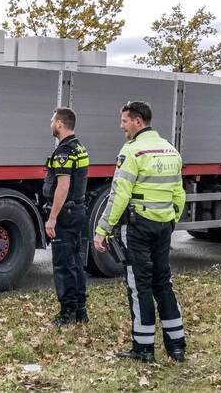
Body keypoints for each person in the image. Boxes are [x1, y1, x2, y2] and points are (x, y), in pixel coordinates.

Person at [93, 100, 187, 363]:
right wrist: (170, 221)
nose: (121, 126)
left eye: (124, 121)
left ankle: (143, 348)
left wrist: (102, 229)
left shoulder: (132, 151)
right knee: (163, 283)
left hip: (138, 227)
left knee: (139, 285)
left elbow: (119, 196)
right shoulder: (171, 150)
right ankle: (177, 346)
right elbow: (179, 193)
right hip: (163, 226)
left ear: (138, 121)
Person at [43, 106, 90, 326]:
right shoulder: (79, 147)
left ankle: (67, 313)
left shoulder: (64, 152)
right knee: (75, 262)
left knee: (63, 265)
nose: (51, 124)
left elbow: (63, 186)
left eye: (53, 120)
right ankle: (80, 310)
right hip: (77, 210)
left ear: (60, 124)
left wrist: (52, 218)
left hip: (66, 214)